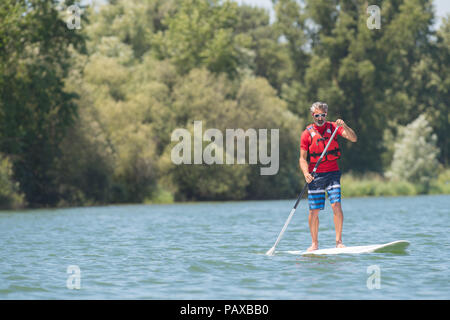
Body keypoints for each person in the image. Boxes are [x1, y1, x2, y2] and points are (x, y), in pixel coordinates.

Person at [299, 102, 357, 252]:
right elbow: (302, 158)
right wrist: (306, 173)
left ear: (326, 114)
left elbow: (353, 138)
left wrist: (344, 126)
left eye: (322, 115)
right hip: (315, 175)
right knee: (314, 211)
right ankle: (314, 243)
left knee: (336, 205)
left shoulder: (333, 127)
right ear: (313, 116)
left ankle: (338, 241)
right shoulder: (307, 133)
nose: (320, 118)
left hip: (332, 173)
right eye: (317, 115)